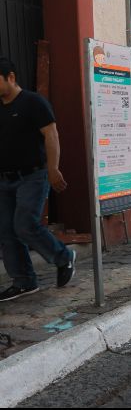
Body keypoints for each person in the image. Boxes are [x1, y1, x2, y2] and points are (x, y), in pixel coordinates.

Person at [0, 58, 76, 301]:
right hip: (4, 179)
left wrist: (53, 169)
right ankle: (24, 281)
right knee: (6, 231)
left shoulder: (33, 102)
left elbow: (51, 135)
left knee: (24, 224)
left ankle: (62, 257)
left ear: (10, 77)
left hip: (33, 175)